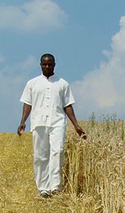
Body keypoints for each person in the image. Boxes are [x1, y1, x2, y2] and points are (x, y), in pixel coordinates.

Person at [17, 53, 86, 198]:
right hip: (39, 123)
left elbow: (67, 105)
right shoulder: (32, 83)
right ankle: (43, 188)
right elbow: (27, 103)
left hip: (57, 122)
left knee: (57, 152)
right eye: (44, 64)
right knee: (41, 156)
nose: (47, 66)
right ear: (40, 65)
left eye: (50, 64)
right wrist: (23, 121)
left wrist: (76, 125)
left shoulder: (62, 84)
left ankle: (55, 187)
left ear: (54, 65)